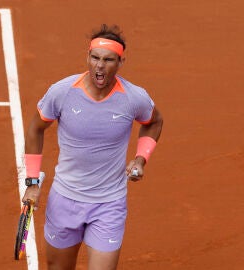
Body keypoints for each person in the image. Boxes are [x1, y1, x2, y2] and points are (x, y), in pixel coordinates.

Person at [22, 24, 163, 270]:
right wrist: (33, 182)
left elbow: (154, 122)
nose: (100, 66)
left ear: (120, 62)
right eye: (95, 58)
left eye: (108, 60)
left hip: (109, 204)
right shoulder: (62, 92)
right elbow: (35, 128)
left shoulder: (133, 98)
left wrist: (141, 159)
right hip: (65, 200)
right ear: (87, 57)